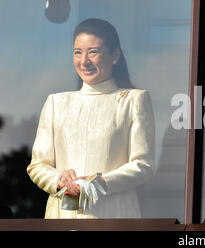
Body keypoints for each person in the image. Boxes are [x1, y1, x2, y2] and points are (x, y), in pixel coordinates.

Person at [27, 18, 155, 218]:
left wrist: (101, 183)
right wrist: (59, 179)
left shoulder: (133, 100)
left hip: (115, 216)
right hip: (63, 217)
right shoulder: (56, 103)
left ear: (115, 55)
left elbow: (143, 165)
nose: (84, 61)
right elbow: (37, 165)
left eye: (93, 52)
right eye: (78, 52)